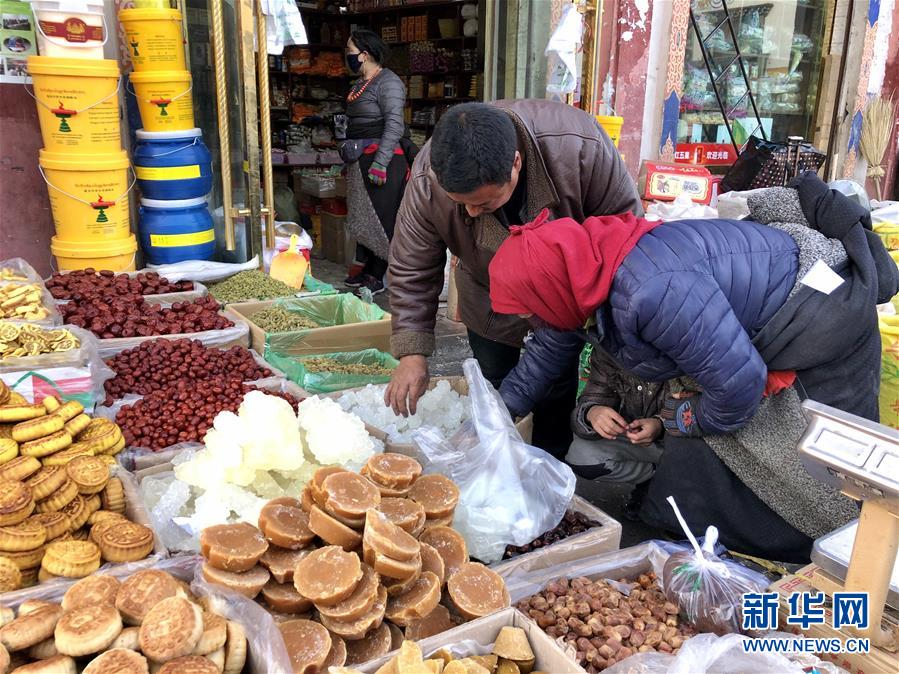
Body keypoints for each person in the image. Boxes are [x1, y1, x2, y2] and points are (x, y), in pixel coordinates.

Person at [490, 174, 899, 562]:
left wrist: (684, 416)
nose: (530, 319)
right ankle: (696, 532)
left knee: (818, 469)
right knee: (702, 434)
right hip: (745, 343)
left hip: (822, 321)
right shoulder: (575, 280)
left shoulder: (648, 292)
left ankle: (831, 557)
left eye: (528, 309)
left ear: (548, 288)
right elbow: (547, 348)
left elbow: (738, 386)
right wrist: (497, 415)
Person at [384, 100, 641, 458]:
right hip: (489, 299)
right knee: (496, 387)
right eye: (462, 205)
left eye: (484, 205)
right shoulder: (430, 178)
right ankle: (492, 470)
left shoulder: (581, 146)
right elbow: (412, 266)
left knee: (553, 390)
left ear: (515, 164)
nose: (471, 213)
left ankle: (550, 468)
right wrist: (412, 353)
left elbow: (626, 237)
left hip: (568, 298)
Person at [341, 29, 416, 296]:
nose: (347, 56)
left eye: (350, 52)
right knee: (366, 218)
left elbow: (395, 125)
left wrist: (380, 163)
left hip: (383, 160)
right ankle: (369, 270)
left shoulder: (389, 82)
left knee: (383, 220)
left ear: (364, 54)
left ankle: (382, 275)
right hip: (362, 159)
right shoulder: (360, 84)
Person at [570, 347, 669, 486]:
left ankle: (674, 480)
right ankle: (653, 477)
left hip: (680, 443)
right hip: (635, 438)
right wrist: (592, 411)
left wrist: (660, 424)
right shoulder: (610, 347)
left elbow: (699, 411)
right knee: (581, 454)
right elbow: (594, 395)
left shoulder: (688, 347)